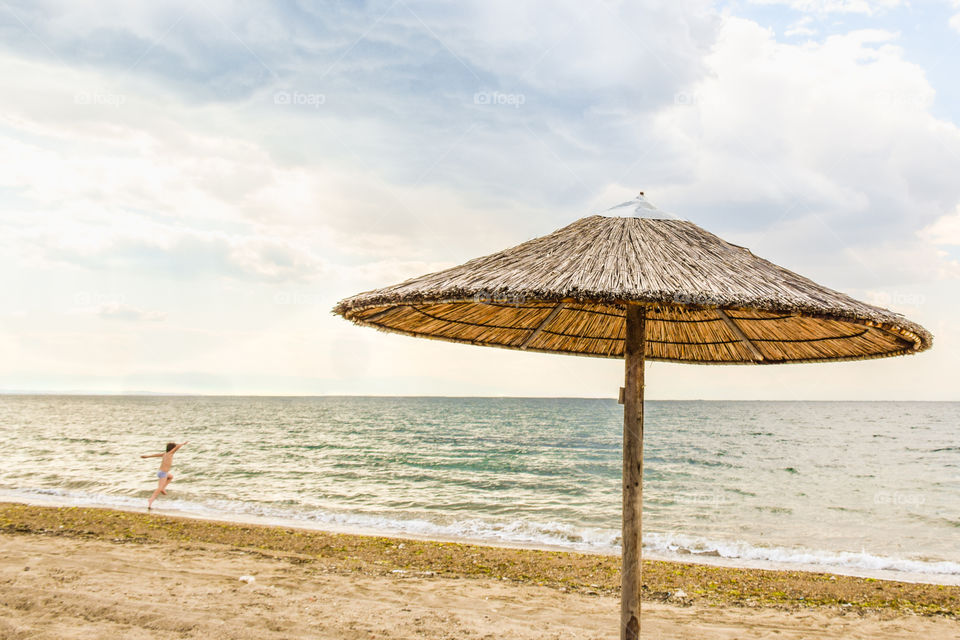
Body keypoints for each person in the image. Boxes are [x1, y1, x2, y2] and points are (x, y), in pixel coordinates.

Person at [141, 441, 188, 510]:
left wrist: (147, 456)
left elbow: (155, 455)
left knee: (171, 477)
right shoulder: (170, 454)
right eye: (174, 449)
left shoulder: (165, 454)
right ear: (172, 449)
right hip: (163, 473)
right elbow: (177, 447)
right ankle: (151, 500)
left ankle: (163, 488)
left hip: (161, 472)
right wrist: (183, 443)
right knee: (159, 488)